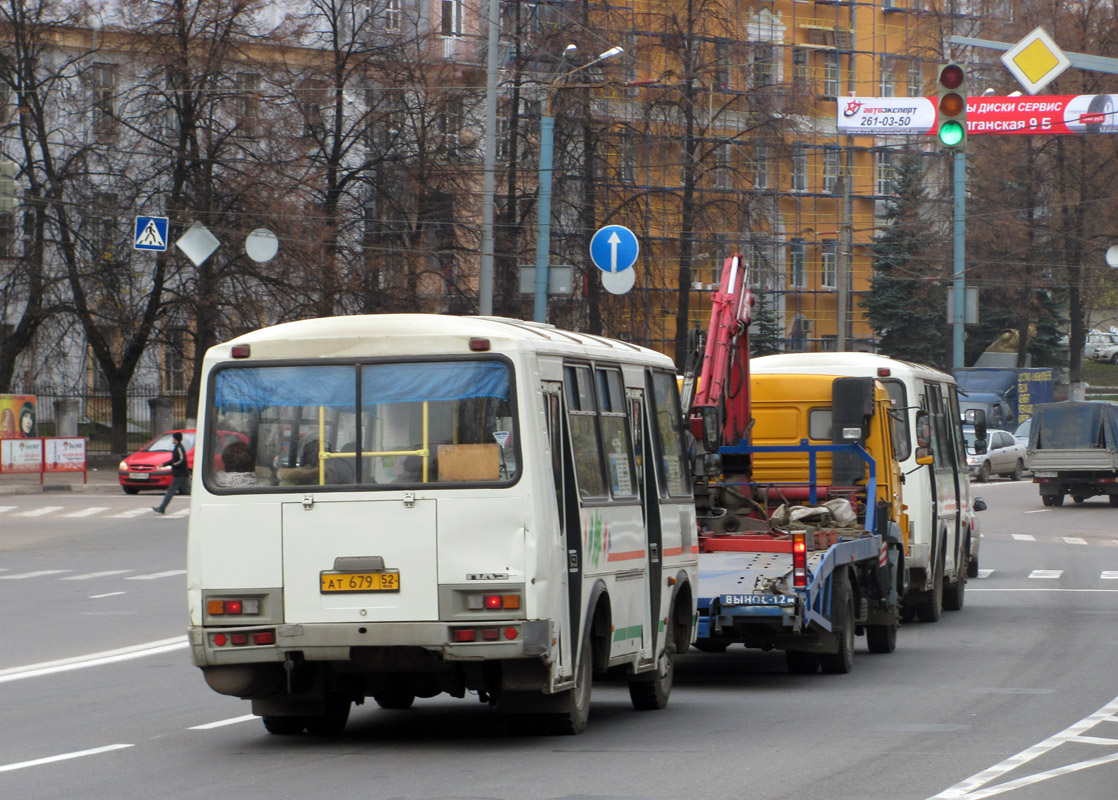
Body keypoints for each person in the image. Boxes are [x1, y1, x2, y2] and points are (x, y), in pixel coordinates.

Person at [153, 431, 191, 514]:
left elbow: (181, 460)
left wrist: (174, 465)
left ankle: (162, 508)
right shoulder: (177, 447)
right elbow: (174, 460)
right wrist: (164, 464)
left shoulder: (179, 448)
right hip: (181, 474)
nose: (172, 440)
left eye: (173, 438)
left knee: (171, 491)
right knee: (190, 491)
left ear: (176, 439)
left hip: (180, 474)